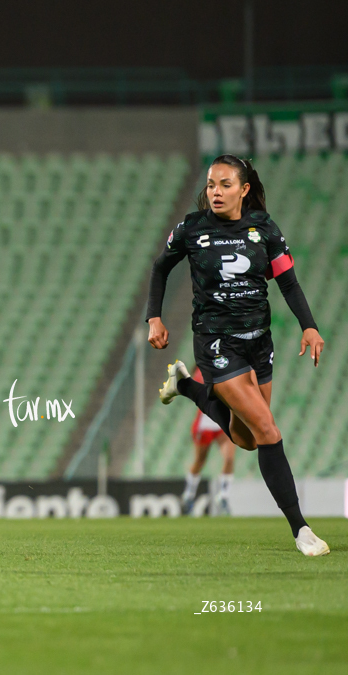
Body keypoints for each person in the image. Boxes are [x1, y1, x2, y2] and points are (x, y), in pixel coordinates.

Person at [147, 154, 328, 556]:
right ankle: (301, 530)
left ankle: (186, 387)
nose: (215, 192)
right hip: (215, 344)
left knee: (246, 439)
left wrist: (309, 325)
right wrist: (154, 318)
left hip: (258, 343)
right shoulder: (192, 229)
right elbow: (160, 268)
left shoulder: (264, 228)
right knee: (267, 430)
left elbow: (289, 281)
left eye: (225, 184)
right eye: (211, 184)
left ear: (244, 190)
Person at [179, 367, 236, 516]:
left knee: (229, 457)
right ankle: (189, 495)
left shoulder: (226, 363)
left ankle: (223, 496)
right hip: (205, 422)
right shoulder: (201, 369)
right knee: (200, 460)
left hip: (222, 421)